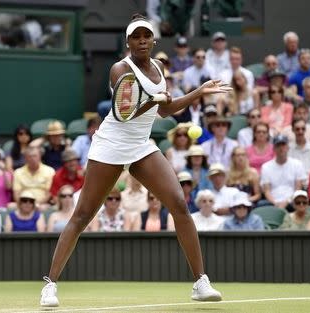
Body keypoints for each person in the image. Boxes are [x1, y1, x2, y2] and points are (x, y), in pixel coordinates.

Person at [40, 15, 231, 307]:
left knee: (179, 203)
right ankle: (50, 285)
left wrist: (197, 92)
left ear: (153, 41)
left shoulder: (158, 67)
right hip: (110, 147)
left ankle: (200, 282)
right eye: (135, 37)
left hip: (141, 146)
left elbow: (165, 112)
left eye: (146, 36)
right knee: (82, 216)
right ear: (128, 42)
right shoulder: (120, 69)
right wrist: (156, 100)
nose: (142, 41)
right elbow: (125, 113)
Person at [260, 135, 306, 211]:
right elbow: (267, 190)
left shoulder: (297, 164)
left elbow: (298, 188)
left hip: (292, 200)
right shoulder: (266, 167)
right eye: (278, 145)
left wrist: (287, 201)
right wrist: (275, 203)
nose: (281, 148)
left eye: (283, 145)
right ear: (274, 148)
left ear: (288, 147)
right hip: (272, 202)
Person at [287, 119, 310, 183]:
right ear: (292, 130)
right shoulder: (288, 149)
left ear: (306, 130)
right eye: (297, 129)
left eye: (303, 129)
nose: (300, 132)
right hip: (293, 183)